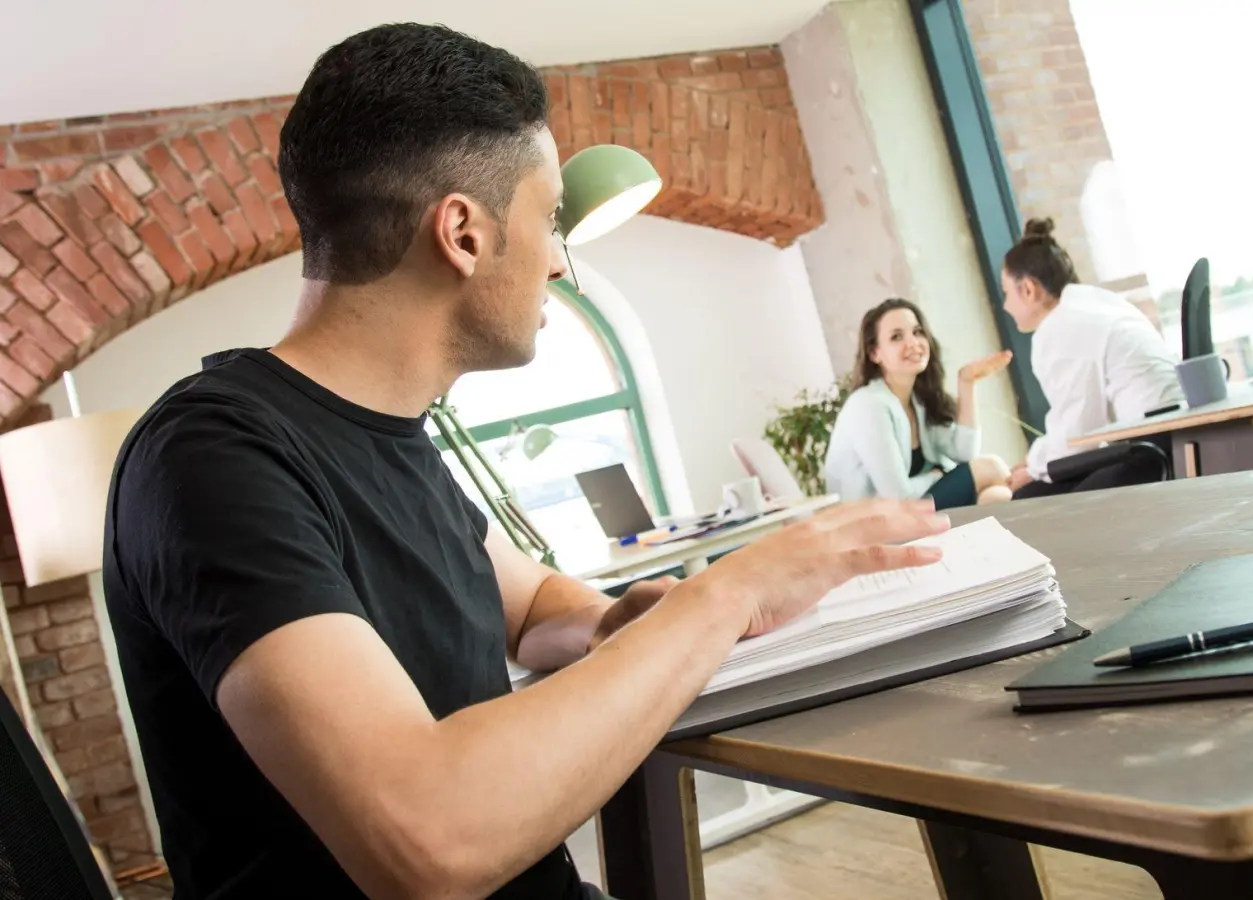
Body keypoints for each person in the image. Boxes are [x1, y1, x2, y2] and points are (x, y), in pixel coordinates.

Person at [101, 24, 949, 900]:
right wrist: (724, 592)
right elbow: (431, 840)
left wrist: (615, 621)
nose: (561, 261)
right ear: (463, 233)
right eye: (549, 220)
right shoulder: (212, 461)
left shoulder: (392, 437)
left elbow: (532, 606)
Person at [999, 218, 1182, 500]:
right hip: (1170, 435)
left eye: (1006, 293)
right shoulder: (1095, 302)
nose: (1005, 305)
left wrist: (1033, 468)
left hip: (1150, 451)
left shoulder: (1058, 328)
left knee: (1027, 501)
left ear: (1028, 289)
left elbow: (1078, 438)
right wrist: (1036, 461)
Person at [824, 298, 1014, 509]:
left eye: (917, 332)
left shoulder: (917, 400)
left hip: (912, 512)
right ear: (874, 353)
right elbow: (897, 497)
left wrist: (966, 382)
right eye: (896, 337)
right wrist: (937, 476)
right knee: (991, 467)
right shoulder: (868, 406)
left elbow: (964, 453)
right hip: (876, 523)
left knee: (998, 496)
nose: (913, 343)